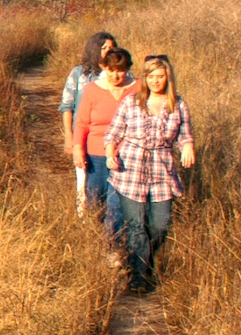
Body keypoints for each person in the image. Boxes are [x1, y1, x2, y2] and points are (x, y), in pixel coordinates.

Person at [107, 53, 195, 291]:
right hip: (130, 169)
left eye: (160, 76)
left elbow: (184, 135)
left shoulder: (178, 105)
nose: (156, 81)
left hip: (161, 170)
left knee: (160, 224)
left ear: (168, 77)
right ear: (145, 78)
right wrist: (109, 153)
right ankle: (138, 276)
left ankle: (143, 260)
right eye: (151, 76)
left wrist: (187, 146)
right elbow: (114, 132)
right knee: (135, 224)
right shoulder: (131, 102)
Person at [72, 44, 135, 241]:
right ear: (105, 68)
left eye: (121, 70)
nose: (116, 76)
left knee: (116, 204)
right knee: (95, 199)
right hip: (96, 153)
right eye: (111, 70)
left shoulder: (138, 88)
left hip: (126, 155)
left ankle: (114, 245)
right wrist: (77, 149)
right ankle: (94, 240)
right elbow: (81, 122)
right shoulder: (92, 90)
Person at [59, 30, 117, 210]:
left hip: (110, 138)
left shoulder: (117, 74)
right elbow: (67, 106)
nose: (107, 51)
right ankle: (84, 221)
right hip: (83, 135)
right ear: (94, 49)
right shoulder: (79, 74)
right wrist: (69, 136)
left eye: (111, 48)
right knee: (83, 179)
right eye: (103, 47)